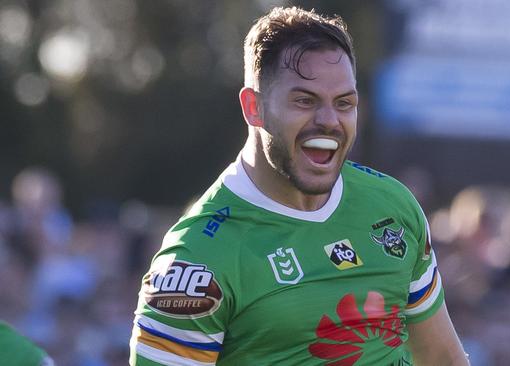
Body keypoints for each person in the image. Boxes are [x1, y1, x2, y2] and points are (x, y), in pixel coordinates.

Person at [129, 6, 468, 365]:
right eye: (304, 101)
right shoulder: (195, 261)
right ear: (253, 107)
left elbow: (442, 357)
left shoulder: (392, 205)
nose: (328, 121)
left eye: (344, 103)